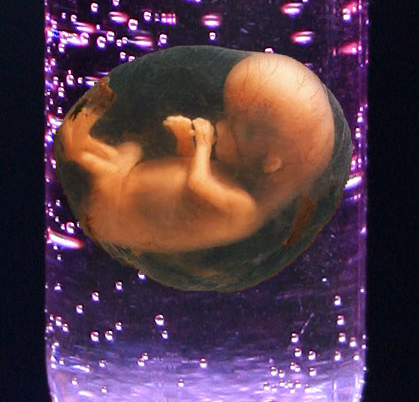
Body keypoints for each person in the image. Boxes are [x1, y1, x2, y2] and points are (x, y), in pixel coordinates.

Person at [56, 52, 335, 255]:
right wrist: (184, 141)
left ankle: (77, 149)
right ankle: (82, 147)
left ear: (271, 162)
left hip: (121, 214)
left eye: (243, 130)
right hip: (131, 190)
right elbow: (187, 175)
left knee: (114, 169)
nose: (221, 125)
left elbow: (198, 184)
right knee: (127, 154)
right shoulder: (234, 180)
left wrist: (202, 146)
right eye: (228, 116)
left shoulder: (245, 210)